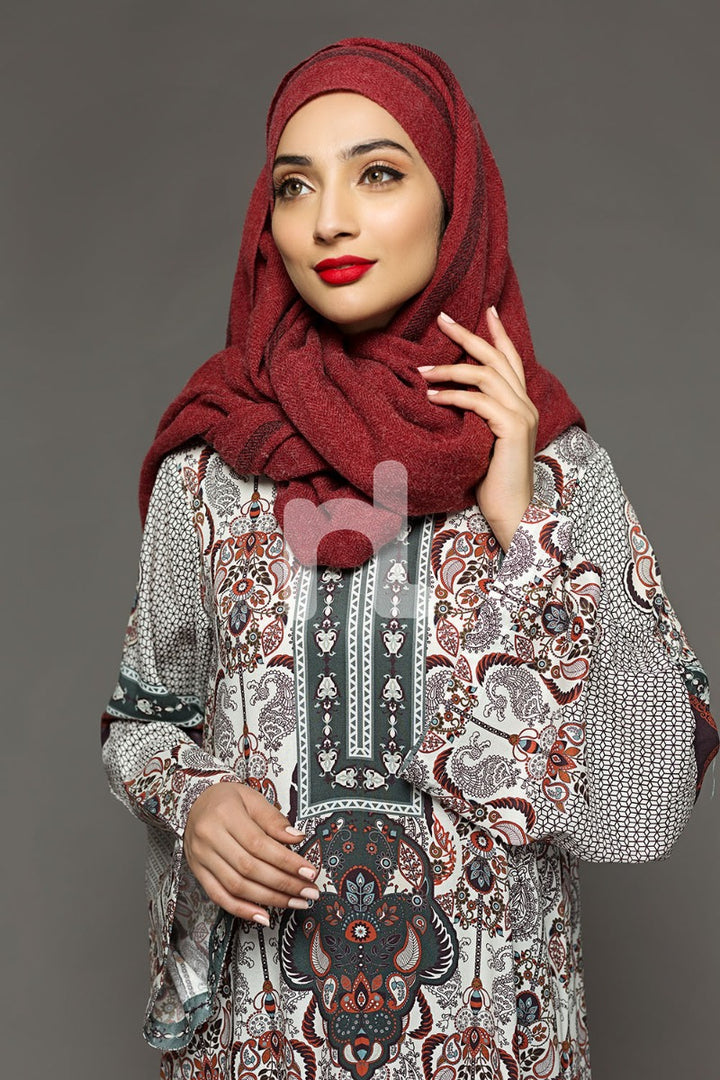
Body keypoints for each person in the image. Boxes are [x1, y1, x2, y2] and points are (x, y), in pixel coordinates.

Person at [101, 38, 718, 1080]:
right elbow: (142, 721)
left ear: (457, 203)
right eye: (296, 186)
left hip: (497, 1043)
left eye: (378, 174)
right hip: (262, 1041)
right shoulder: (210, 467)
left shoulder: (557, 470)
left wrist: (523, 523)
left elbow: (651, 789)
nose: (329, 220)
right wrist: (194, 799)